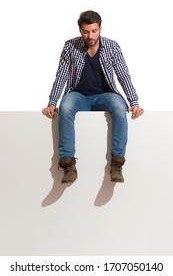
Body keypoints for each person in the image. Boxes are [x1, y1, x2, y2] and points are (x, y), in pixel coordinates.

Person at [42, 10, 144, 184]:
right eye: (86, 31)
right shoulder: (70, 46)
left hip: (105, 95)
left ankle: (117, 164)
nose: (90, 36)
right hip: (78, 95)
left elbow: (123, 75)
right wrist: (52, 102)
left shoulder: (112, 46)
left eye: (94, 31)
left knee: (120, 108)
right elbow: (61, 76)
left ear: (100, 28)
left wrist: (134, 102)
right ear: (80, 30)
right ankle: (68, 165)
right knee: (65, 107)